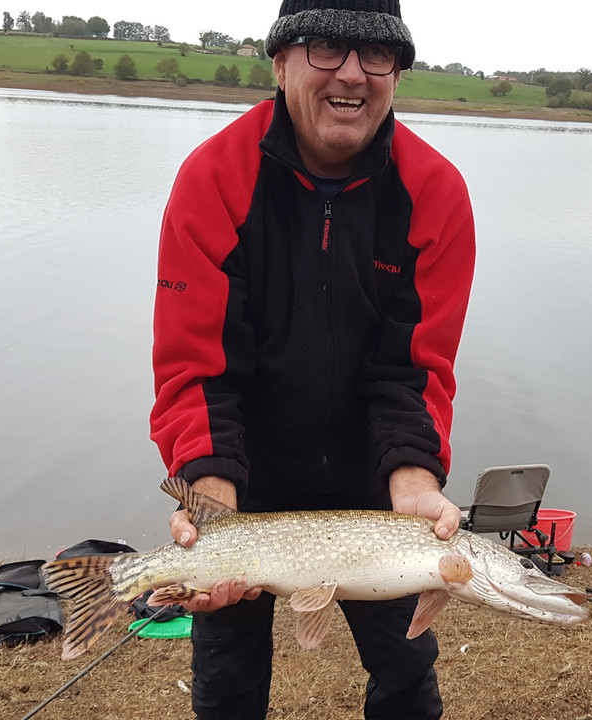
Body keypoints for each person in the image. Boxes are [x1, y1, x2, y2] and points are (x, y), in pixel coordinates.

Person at [149, 1, 475, 717]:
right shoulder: (212, 179)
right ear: (281, 62)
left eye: (377, 55)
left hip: (377, 491)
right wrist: (214, 501)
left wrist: (416, 485)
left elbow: (414, 373)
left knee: (407, 677)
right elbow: (196, 370)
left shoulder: (436, 194)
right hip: (242, 482)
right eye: (326, 47)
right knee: (227, 685)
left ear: (397, 71)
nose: (352, 75)